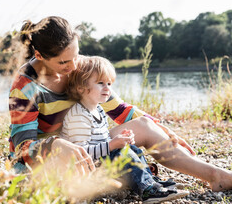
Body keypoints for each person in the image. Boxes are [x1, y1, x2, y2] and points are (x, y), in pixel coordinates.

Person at [8, 16, 232, 195]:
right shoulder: (25, 87)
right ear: (40, 56)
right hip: (51, 159)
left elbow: (118, 109)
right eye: (64, 63)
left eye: (76, 56)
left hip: (87, 146)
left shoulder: (80, 65)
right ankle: (118, 180)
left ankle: (215, 176)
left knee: (144, 125)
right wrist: (56, 144)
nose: (74, 67)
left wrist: (161, 128)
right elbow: (22, 150)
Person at [59, 55, 189, 202]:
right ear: (81, 87)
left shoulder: (98, 110)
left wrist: (120, 141)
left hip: (101, 160)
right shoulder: (78, 115)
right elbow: (81, 154)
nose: (107, 88)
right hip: (88, 168)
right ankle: (147, 191)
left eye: (109, 83)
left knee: (132, 150)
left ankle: (151, 182)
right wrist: (113, 145)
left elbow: (103, 139)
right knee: (121, 152)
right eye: (101, 83)